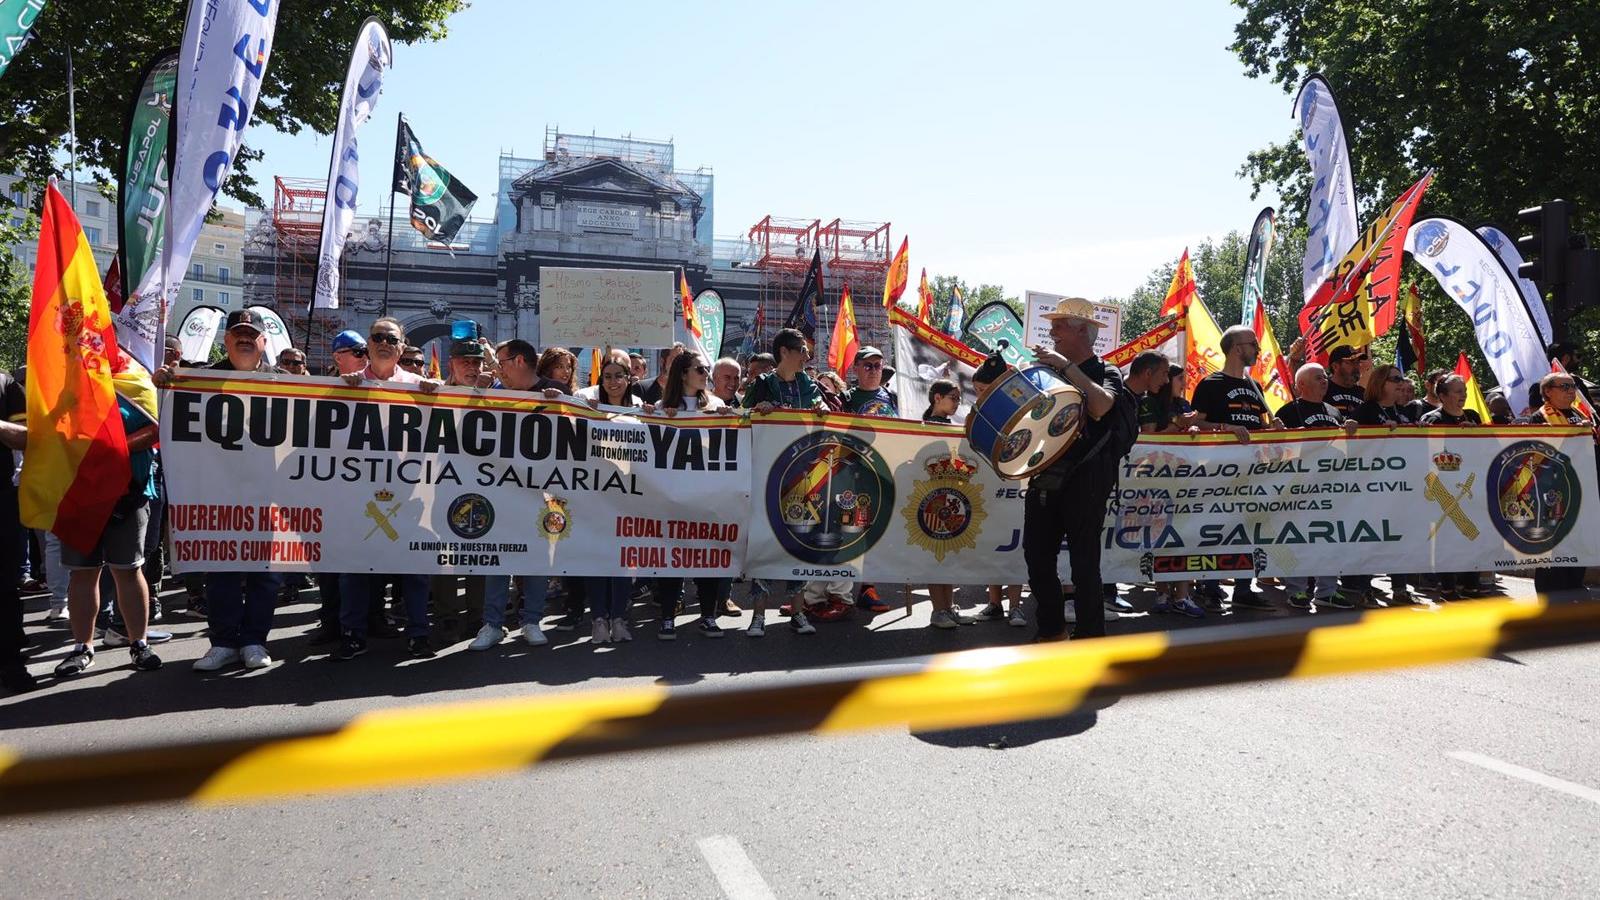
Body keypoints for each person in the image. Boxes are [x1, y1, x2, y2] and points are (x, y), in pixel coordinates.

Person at [154, 310, 287, 670]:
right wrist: (165, 387)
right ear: (225, 340)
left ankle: (255, 641)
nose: (244, 338)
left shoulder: (285, 382)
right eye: (237, 333)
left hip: (268, 493)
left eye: (251, 334)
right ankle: (224, 642)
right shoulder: (199, 379)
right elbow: (166, 423)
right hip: (218, 491)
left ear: (264, 342)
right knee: (221, 567)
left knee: (265, 571)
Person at [1022, 298, 1137, 641]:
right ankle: (1052, 630)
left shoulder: (1107, 371)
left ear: (1080, 331)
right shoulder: (1048, 372)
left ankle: (1089, 637)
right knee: (1037, 559)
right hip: (1046, 477)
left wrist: (1065, 366)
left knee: (1084, 566)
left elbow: (1101, 406)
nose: (1052, 331)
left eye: (1059, 325)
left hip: (1086, 481)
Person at [743, 329, 829, 637]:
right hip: (768, 477)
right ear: (784, 352)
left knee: (799, 542)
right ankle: (758, 616)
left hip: (803, 476)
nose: (807, 356)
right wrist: (757, 411)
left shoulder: (810, 385)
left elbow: (823, 410)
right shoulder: (763, 384)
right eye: (802, 350)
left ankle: (798, 612)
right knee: (766, 541)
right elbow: (741, 419)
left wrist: (823, 410)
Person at [1188, 325, 1276, 610]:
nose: (1257, 350)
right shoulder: (1210, 384)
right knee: (1220, 527)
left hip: (1253, 471)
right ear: (1237, 348)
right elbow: (1194, 423)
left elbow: (1259, 427)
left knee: (1250, 527)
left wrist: (1274, 429)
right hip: (1220, 471)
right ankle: (1210, 587)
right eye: (1252, 344)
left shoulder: (1255, 387)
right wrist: (1226, 427)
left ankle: (1243, 587)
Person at [651, 351, 736, 639]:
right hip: (673, 496)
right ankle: (667, 617)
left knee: (707, 557)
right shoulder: (664, 406)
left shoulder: (716, 404)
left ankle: (708, 615)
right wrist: (658, 417)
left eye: (706, 369)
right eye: (700, 369)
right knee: (672, 558)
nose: (705, 374)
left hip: (707, 495)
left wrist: (727, 418)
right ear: (683, 373)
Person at [1274, 364, 1358, 611]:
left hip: (1331, 486)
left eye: (1324, 377)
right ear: (1301, 385)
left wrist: (1350, 432)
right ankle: (1297, 591)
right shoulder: (1288, 411)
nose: (1324, 381)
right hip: (1298, 487)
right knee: (1298, 536)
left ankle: (1327, 590)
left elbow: (1344, 450)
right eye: (1318, 377)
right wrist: (1279, 433)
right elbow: (1276, 453)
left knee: (1330, 537)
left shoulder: (1333, 411)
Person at [1521, 371, 1595, 597]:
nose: (1571, 391)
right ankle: (1549, 590)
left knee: (1579, 539)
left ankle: (1574, 584)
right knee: (1552, 544)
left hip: (1581, 487)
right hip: (1551, 490)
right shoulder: (1540, 417)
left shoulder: (1579, 413)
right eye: (1564, 387)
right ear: (1548, 392)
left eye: (1572, 386)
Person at [1352, 363, 1419, 607]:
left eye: (1401, 378)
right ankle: (1363, 589)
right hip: (1371, 488)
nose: (1400, 382)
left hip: (1398, 489)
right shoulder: (1365, 410)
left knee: (1398, 538)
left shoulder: (1404, 412)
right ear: (1380, 383)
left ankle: (1400, 589)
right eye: (1394, 379)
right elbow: (1351, 445)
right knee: (1370, 540)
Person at [914, 380, 976, 629]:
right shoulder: (921, 426)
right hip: (929, 499)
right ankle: (937, 610)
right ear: (937, 398)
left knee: (949, 556)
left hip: (952, 497)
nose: (957, 402)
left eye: (959, 398)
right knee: (934, 555)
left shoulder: (952, 426)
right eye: (953, 397)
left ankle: (949, 608)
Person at [1419, 374, 1482, 601]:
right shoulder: (1431, 419)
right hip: (1441, 489)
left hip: (1469, 486)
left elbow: (1486, 447)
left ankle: (1471, 585)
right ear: (1442, 396)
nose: (1463, 396)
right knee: (1446, 538)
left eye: (1464, 391)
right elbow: (1424, 451)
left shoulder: (1473, 416)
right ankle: (1447, 588)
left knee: (1472, 534)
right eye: (1457, 392)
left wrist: (1475, 434)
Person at [0, 369, 35, 692]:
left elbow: (27, 436)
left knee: (6, 588)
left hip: (2, 499)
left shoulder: (5, 383)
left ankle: (11, 667)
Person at [1325, 346, 1367, 419]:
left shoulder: (1363, 393)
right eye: (1351, 362)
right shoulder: (1323, 389)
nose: (1356, 367)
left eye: (1357, 362)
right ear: (1335, 366)